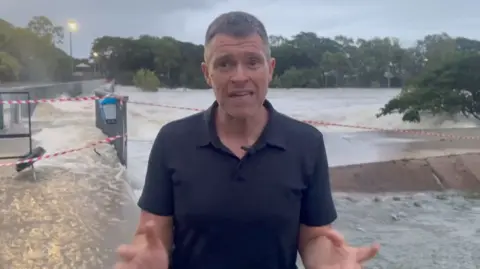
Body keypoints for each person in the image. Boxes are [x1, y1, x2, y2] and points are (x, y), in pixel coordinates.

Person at [114, 11, 379, 269]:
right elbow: (151, 232)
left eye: (252, 62)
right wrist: (146, 257)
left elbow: (314, 237)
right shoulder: (172, 141)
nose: (239, 77)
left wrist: (328, 262)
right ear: (208, 73)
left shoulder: (306, 143)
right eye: (225, 63)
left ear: (270, 68)